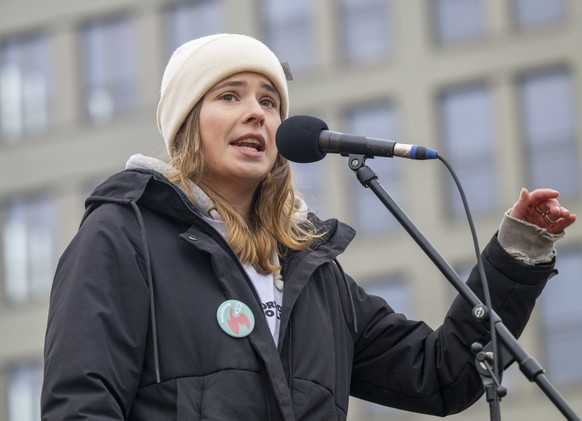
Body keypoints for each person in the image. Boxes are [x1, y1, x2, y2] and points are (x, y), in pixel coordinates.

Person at [41, 33, 576, 420]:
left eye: (269, 101)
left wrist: (517, 252)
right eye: (230, 96)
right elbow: (80, 407)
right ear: (185, 124)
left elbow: (440, 374)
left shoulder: (313, 272)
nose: (257, 113)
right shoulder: (123, 235)